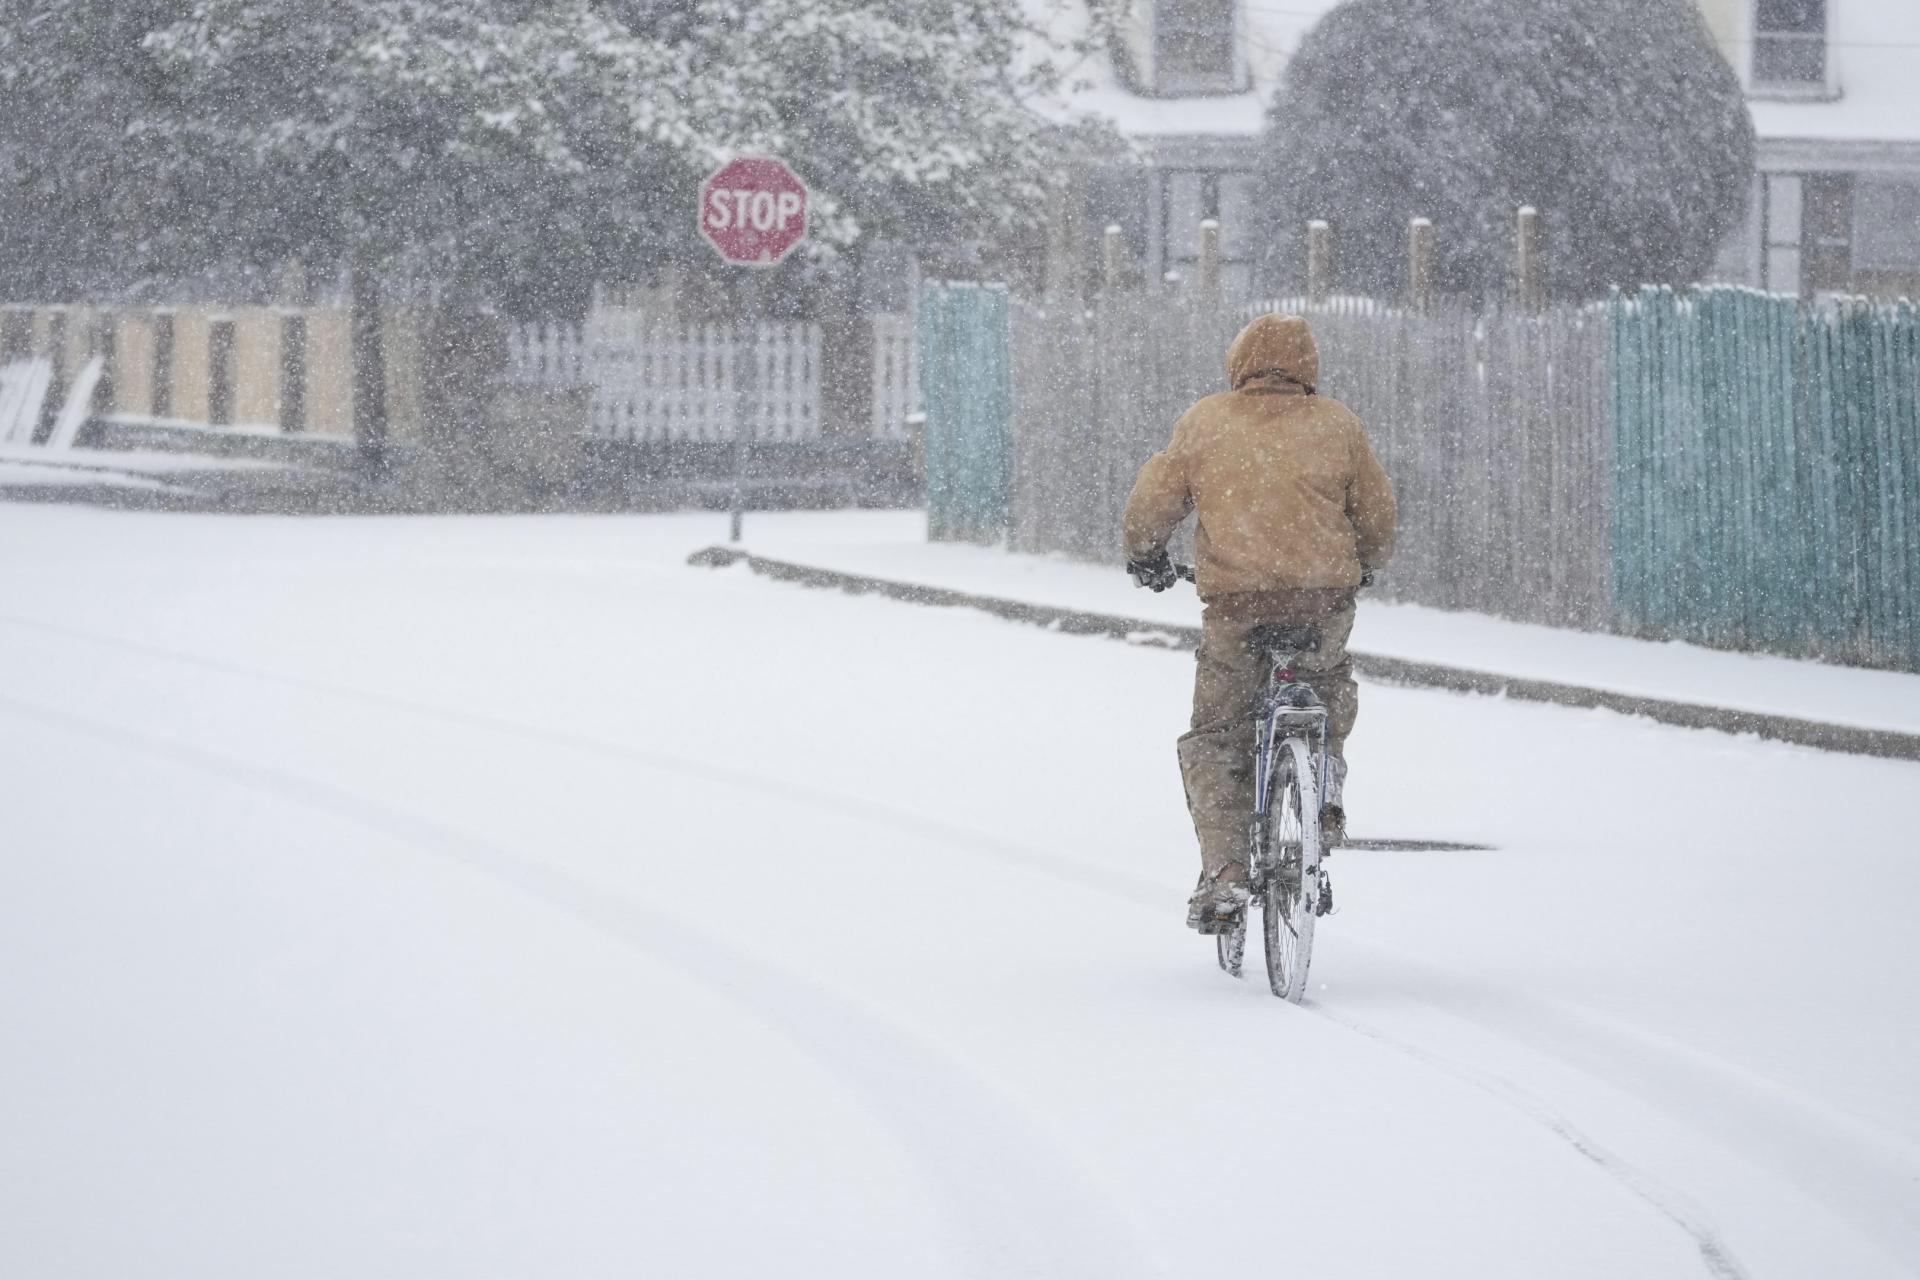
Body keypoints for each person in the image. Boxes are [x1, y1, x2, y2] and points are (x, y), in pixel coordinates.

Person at [1123, 313, 1397, 932]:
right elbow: (1377, 511)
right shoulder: (1338, 425)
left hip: (1237, 607)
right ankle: (1322, 790)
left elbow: (1152, 502)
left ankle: (1225, 873)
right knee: (1328, 694)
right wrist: (1366, 562)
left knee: (1218, 735)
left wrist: (1147, 554)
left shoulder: (1207, 422)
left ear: (1239, 362)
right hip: (1322, 600)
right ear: (1309, 368)